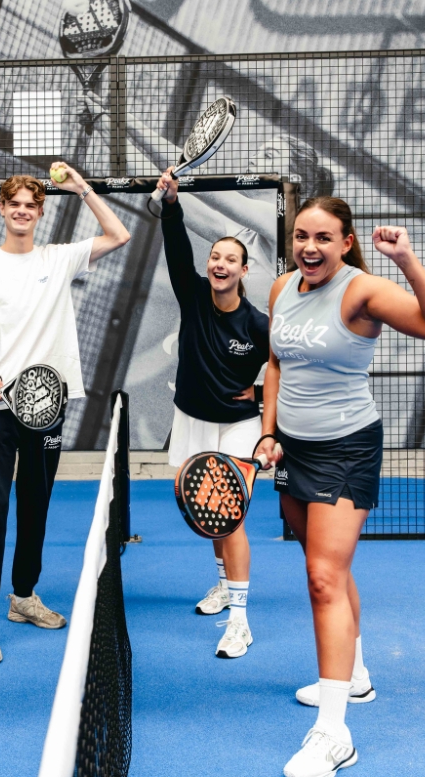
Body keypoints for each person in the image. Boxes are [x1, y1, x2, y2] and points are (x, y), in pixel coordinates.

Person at [254, 196, 425, 777]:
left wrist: (407, 261)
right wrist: (269, 434)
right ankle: (356, 674)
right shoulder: (279, 289)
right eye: (301, 237)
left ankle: (334, 733)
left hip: (347, 448)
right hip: (294, 446)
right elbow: (275, 365)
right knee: (328, 570)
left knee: (322, 578)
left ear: (346, 242)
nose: (308, 248)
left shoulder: (362, 290)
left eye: (322, 238)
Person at [0, 163, 130, 663]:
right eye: (13, 204)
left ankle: (23, 596)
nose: (21, 212)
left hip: (47, 403)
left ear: (40, 212)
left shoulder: (59, 258)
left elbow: (118, 234)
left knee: (36, 503)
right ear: (2, 209)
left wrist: (82, 189)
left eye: (31, 206)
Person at [155, 168, 270, 658]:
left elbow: (289, 372)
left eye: (232, 259)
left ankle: (240, 621)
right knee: (209, 511)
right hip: (192, 419)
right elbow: (175, 247)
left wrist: (262, 398)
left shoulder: (258, 323)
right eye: (216, 257)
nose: (221, 264)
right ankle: (223, 585)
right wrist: (172, 204)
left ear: (245, 271)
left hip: (240, 426)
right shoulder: (194, 296)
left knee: (232, 516)